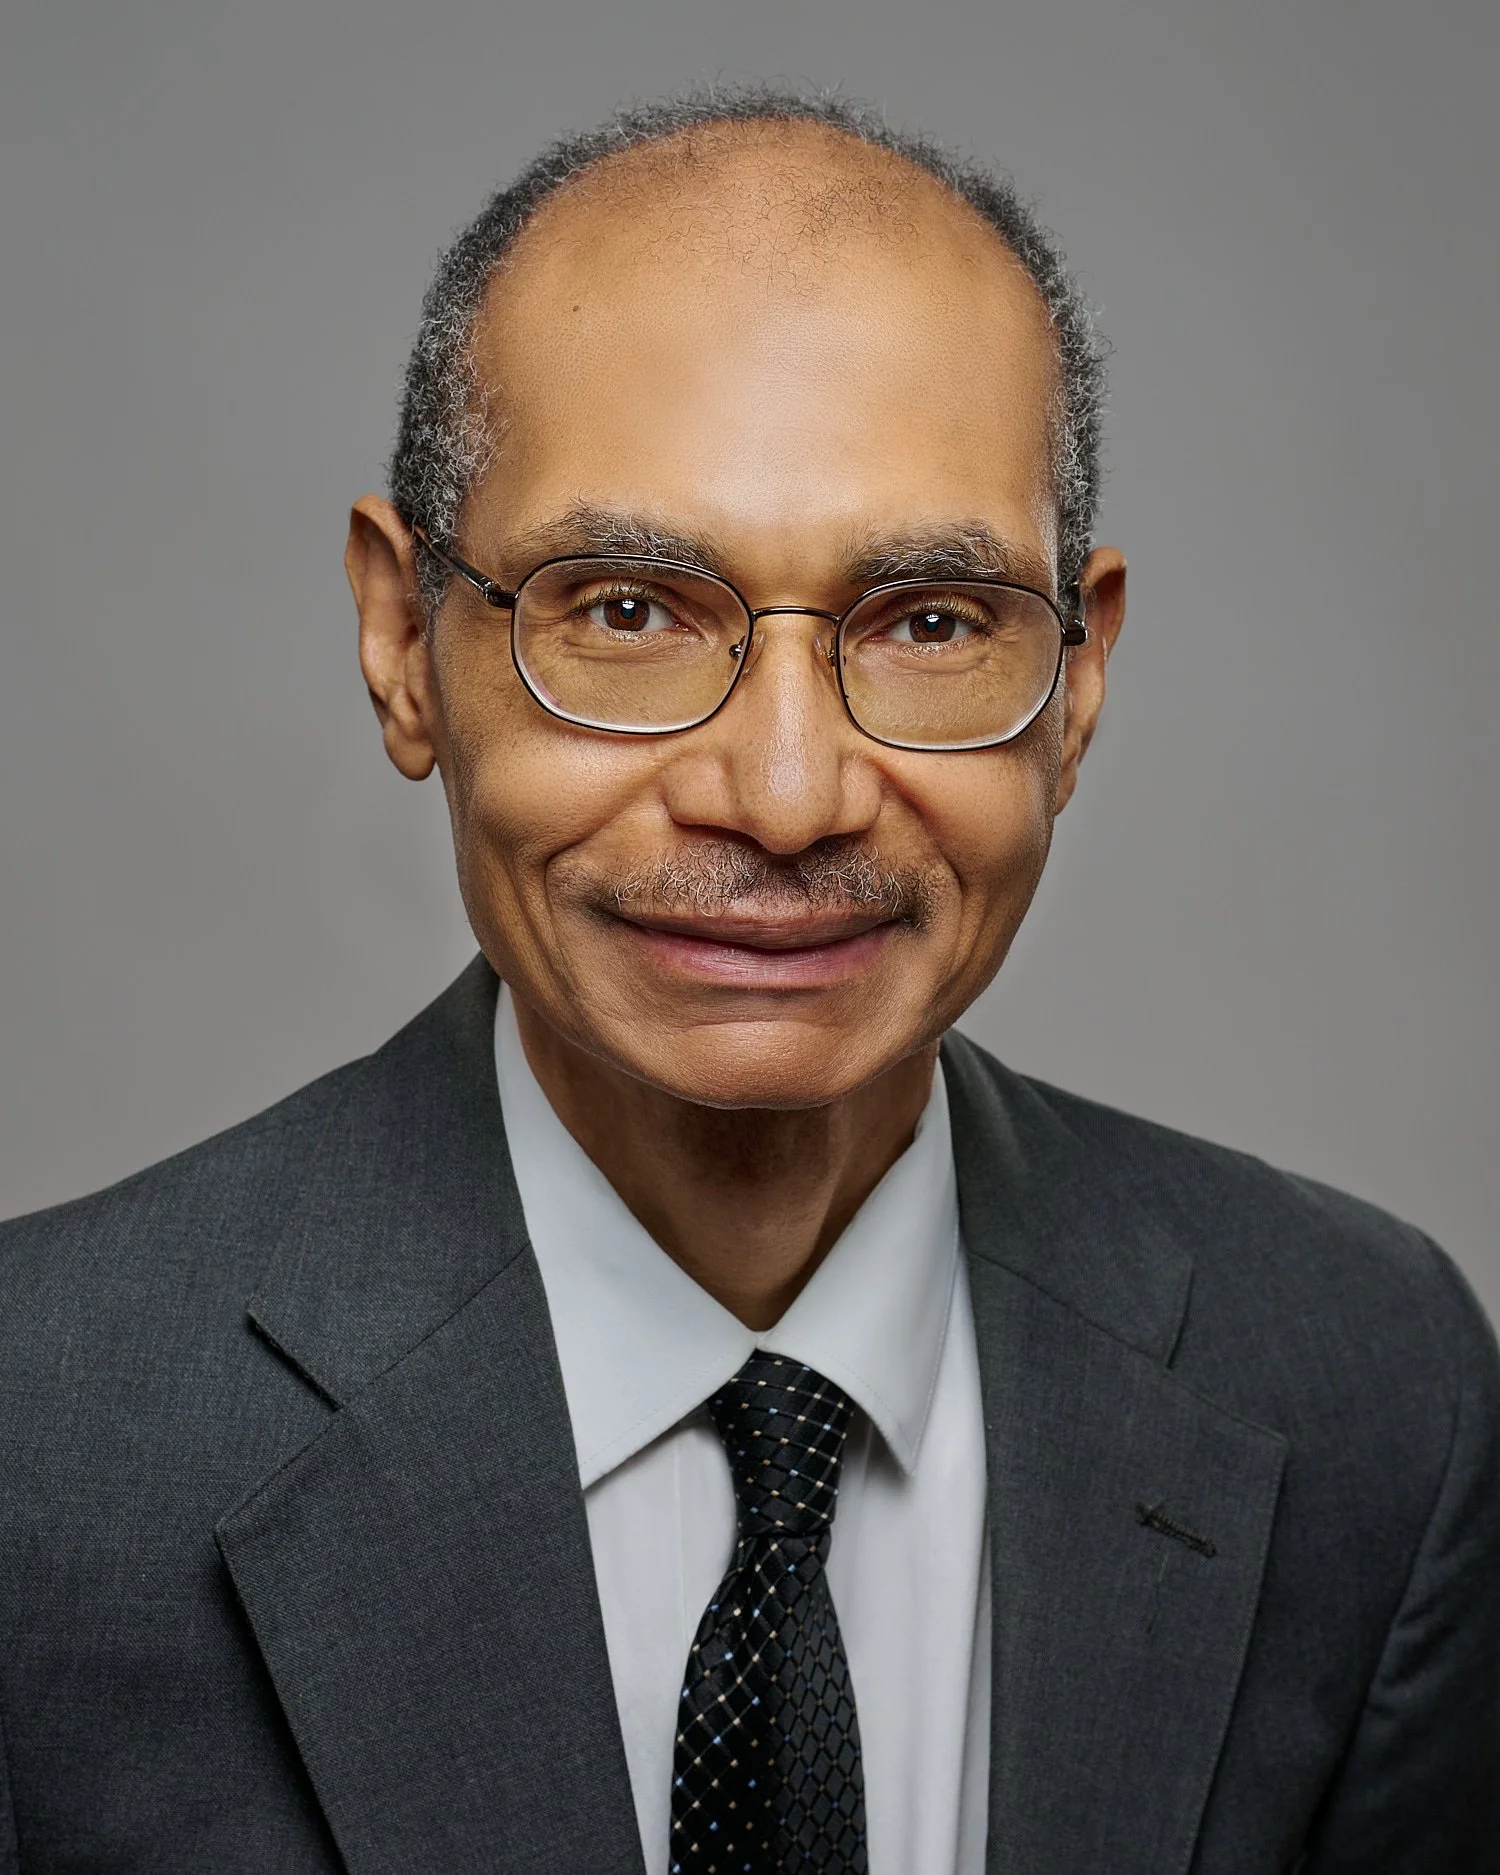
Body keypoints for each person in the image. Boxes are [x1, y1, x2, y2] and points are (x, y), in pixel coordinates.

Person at [1, 86, 1496, 1875]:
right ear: (403, 642)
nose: (784, 795)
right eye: (625, 608)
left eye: (930, 623)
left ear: (1078, 682)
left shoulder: (1371, 1392)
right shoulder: (42, 1443)